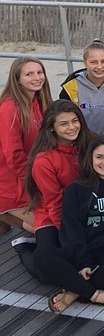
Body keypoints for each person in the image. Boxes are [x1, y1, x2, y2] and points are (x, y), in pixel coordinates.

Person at [39, 136, 104, 313]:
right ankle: (98, 295)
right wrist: (82, 262)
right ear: (90, 159)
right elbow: (71, 229)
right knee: (42, 254)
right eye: (99, 157)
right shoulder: (76, 189)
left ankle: (74, 292)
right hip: (79, 254)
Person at [22, 101, 94, 279]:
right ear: (52, 128)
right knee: (48, 270)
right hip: (52, 214)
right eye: (63, 124)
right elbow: (54, 204)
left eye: (74, 121)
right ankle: (23, 248)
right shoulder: (44, 160)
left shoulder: (90, 142)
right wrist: (71, 239)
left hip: (86, 208)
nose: (72, 127)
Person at [0, 57, 53, 234]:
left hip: (37, 173)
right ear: (17, 79)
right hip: (14, 180)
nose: (37, 77)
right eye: (29, 74)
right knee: (46, 225)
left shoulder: (40, 102)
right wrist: (35, 183)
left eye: (39, 72)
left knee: (55, 221)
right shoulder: (10, 108)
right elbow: (14, 155)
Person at [59, 40, 104, 135]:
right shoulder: (70, 88)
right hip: (81, 141)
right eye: (93, 62)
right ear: (85, 62)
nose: (99, 67)